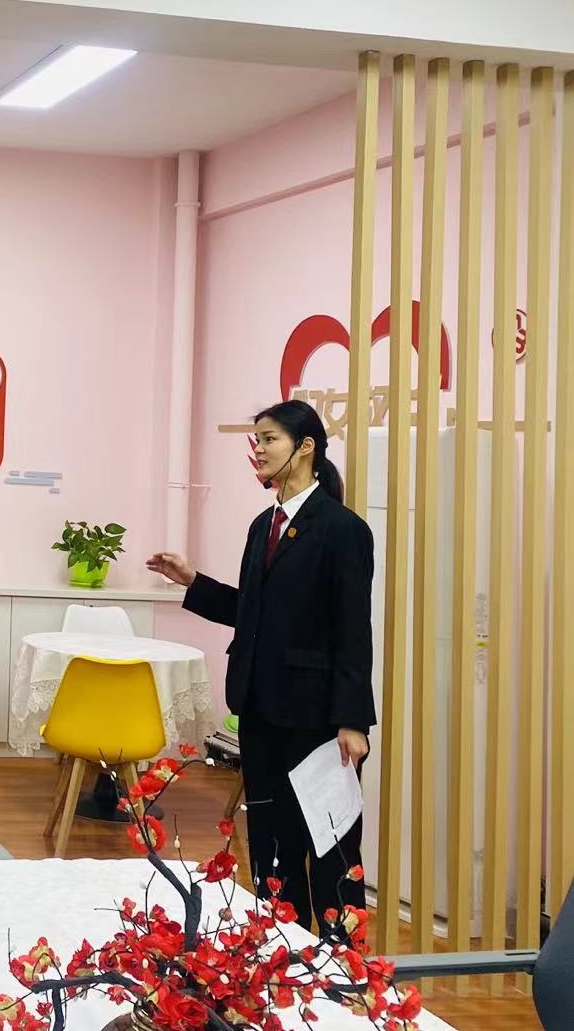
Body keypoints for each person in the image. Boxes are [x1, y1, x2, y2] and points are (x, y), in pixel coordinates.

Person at [147, 399, 374, 934]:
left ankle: (341, 963)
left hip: (317, 719)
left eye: (270, 439)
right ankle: (280, 952)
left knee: (330, 845)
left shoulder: (343, 529)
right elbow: (251, 611)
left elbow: (353, 629)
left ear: (306, 447)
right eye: (258, 440)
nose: (260, 450)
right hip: (260, 709)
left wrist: (352, 721)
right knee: (272, 842)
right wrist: (193, 582)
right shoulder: (262, 525)